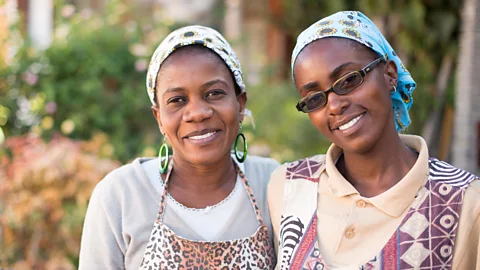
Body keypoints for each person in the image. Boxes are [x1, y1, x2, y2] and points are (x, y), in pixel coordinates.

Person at [268, 11, 480, 269]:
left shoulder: (464, 202)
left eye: (348, 80)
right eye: (314, 99)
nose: (334, 106)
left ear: (390, 75)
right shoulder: (289, 186)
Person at [79, 25, 278, 269]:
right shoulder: (121, 195)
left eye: (214, 93)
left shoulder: (273, 185)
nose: (198, 113)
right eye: (177, 100)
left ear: (239, 104)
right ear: (159, 118)